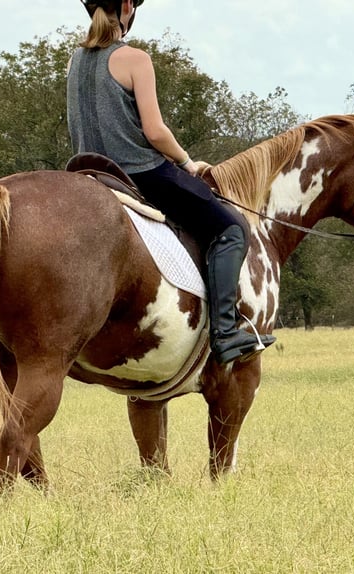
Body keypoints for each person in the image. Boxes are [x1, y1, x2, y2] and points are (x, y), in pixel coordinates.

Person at [67, 0, 275, 364]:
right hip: (142, 174)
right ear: (128, 6)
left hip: (89, 173)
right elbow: (156, 131)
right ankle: (225, 333)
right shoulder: (134, 59)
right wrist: (187, 162)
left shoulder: (74, 62)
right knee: (231, 228)